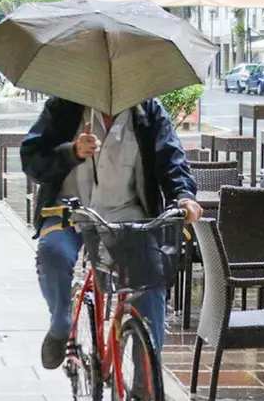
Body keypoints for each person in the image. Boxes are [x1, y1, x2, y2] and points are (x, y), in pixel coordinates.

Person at [21, 97, 202, 372]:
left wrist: (184, 196)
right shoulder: (65, 108)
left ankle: (147, 377)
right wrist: (71, 153)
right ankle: (60, 323)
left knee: (151, 280)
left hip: (125, 212)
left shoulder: (148, 114)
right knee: (53, 253)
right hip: (69, 208)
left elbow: (172, 161)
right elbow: (31, 158)